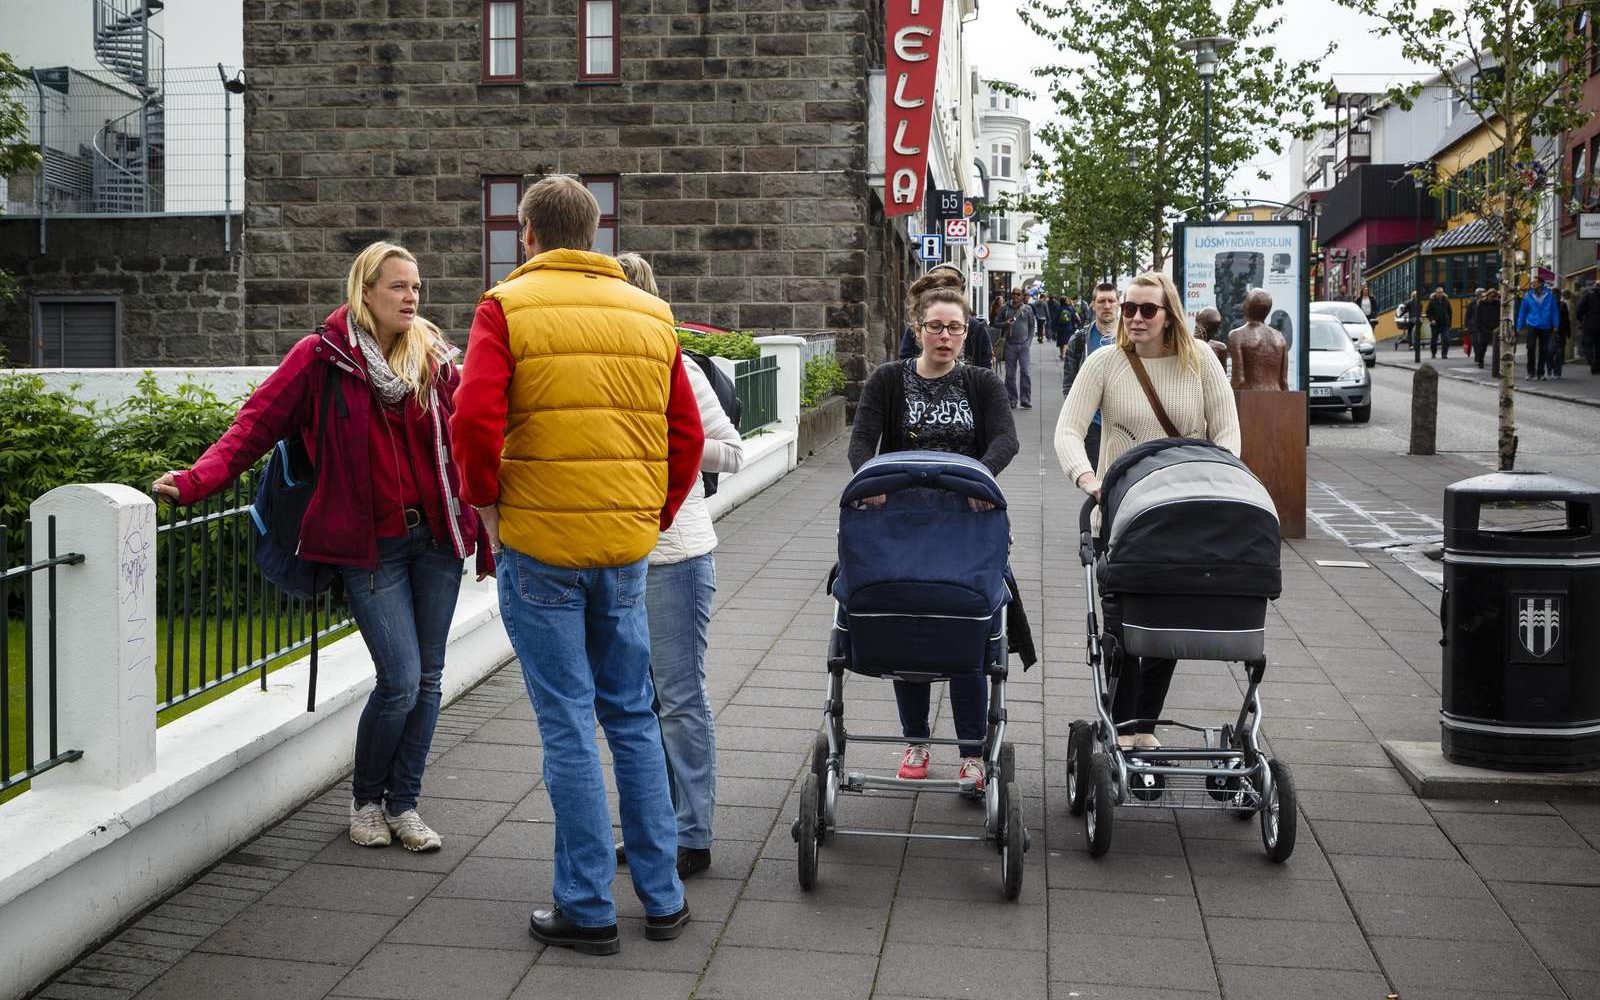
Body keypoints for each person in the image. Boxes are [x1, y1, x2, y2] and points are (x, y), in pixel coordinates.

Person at [153, 241, 493, 853]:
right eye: (398, 287)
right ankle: (367, 800)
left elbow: (475, 432)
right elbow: (253, 425)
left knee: (431, 678)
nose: (412, 298)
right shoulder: (321, 358)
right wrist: (193, 481)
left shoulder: (435, 358)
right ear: (365, 292)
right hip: (371, 548)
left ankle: (405, 805)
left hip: (437, 541)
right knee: (401, 680)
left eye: (417, 287)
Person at [451, 175, 703, 955]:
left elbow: (473, 418)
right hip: (623, 550)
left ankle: (588, 907)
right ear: (594, 233)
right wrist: (648, 516)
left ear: (526, 235)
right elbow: (685, 438)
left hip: (541, 547)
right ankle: (662, 897)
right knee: (630, 715)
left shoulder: (505, 307)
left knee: (566, 722)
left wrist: (486, 508)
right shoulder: (652, 313)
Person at [1054, 271, 1240, 751]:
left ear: (1169, 314)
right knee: (1121, 631)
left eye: (1146, 309)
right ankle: (1123, 729)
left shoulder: (1201, 363)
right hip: (1119, 519)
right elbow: (1068, 431)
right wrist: (1089, 480)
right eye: (1130, 308)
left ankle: (1143, 730)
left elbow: (1227, 435)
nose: (1134, 317)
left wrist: (1217, 488)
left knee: (1166, 629)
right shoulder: (1105, 363)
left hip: (1184, 519)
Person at [847, 284, 1018, 789]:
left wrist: (981, 479)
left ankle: (971, 752)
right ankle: (916, 740)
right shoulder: (887, 380)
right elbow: (862, 442)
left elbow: (1006, 439)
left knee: (965, 627)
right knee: (910, 624)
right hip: (902, 523)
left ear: (967, 333)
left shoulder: (982, 383)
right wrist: (870, 482)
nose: (945, 336)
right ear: (917, 329)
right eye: (936, 326)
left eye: (956, 328)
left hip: (966, 523)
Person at [613, 253, 744, 880]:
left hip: (676, 555)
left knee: (679, 695)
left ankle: (692, 833)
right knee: (637, 701)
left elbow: (732, 454)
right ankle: (652, 826)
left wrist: (666, 447)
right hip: (618, 554)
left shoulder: (680, 368)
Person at [1062, 282, 1121, 469]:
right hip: (1093, 423)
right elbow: (1069, 383)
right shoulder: (1080, 339)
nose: (1107, 306)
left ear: (1118, 304)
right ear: (1093, 305)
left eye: (1111, 301)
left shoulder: (1133, 337)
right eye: (1102, 301)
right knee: (1097, 480)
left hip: (1125, 422)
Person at [1228, 290, 1289, 392]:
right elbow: (1284, 381)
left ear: (1246, 307)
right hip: (1276, 397)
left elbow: (1238, 380)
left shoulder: (1237, 335)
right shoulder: (1279, 337)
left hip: (1250, 398)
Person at [998, 288, 1037, 408]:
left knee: (1025, 372)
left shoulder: (1027, 309)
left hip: (1023, 345)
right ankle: (1012, 399)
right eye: (1013, 294)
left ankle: (1025, 399)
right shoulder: (1005, 308)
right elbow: (995, 323)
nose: (1015, 296)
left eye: (1018, 294)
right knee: (1010, 374)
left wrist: (1029, 342)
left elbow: (1032, 326)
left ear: (1022, 296)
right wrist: (1006, 323)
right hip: (1010, 345)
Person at [1517, 274, 1559, 381]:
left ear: (1541, 283)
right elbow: (1522, 312)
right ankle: (1531, 372)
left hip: (1545, 325)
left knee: (1543, 350)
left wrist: (1556, 325)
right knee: (1530, 347)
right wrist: (1519, 326)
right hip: (1532, 324)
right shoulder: (1527, 296)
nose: (1532, 284)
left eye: (1535, 283)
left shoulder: (1549, 296)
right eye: (1532, 283)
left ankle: (1541, 373)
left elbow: (1554, 311)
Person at [1472, 287, 1501, 369]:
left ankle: (1497, 363)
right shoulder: (1481, 303)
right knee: (1482, 346)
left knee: (1497, 346)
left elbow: (1499, 315)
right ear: (1487, 296)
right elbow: (1478, 316)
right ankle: (1480, 361)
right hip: (1483, 327)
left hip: (1494, 327)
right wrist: (1478, 327)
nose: (1492, 298)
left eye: (1494, 297)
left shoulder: (1497, 304)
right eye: (1491, 296)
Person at [1577, 283, 1600, 375]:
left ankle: (1591, 361)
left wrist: (1581, 320)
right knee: (1599, 345)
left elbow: (1579, 310)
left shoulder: (1588, 295)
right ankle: (1597, 364)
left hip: (1589, 322)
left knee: (1587, 344)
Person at [1426, 286, 1453, 359]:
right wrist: (1432, 320)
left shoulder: (1446, 301)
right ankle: (1433, 353)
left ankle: (1444, 354)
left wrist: (1450, 323)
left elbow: (1450, 312)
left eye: (1441, 292)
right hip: (1435, 324)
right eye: (1439, 292)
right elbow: (1428, 313)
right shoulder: (1432, 302)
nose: (1440, 294)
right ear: (1436, 293)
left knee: (1446, 339)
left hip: (1445, 324)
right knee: (1434, 340)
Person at [1552, 288, 1573, 379]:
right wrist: (1568, 332)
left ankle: (1555, 370)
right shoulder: (1562, 305)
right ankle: (1557, 372)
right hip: (1561, 331)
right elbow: (1567, 320)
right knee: (1559, 352)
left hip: (1552, 331)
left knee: (1553, 351)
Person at [1054, 291, 1079, 360]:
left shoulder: (1058, 308)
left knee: (1061, 342)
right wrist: (1074, 326)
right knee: (1066, 341)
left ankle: (1062, 354)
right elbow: (1073, 318)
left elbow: (1055, 318)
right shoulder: (1070, 308)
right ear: (1066, 301)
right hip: (1068, 327)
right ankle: (1064, 355)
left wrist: (1055, 327)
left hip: (1060, 327)